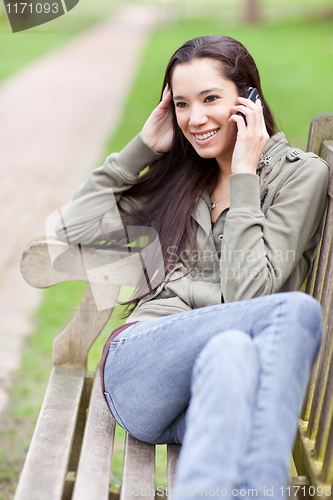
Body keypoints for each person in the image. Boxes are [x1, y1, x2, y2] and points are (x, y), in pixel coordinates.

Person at [55, 36, 329, 498]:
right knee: (295, 313)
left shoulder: (299, 175)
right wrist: (142, 148)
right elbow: (72, 229)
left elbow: (249, 295)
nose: (195, 119)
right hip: (143, 369)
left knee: (232, 352)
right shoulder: (179, 174)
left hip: (217, 391)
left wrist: (244, 174)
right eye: (182, 104)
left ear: (250, 101)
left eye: (210, 99)